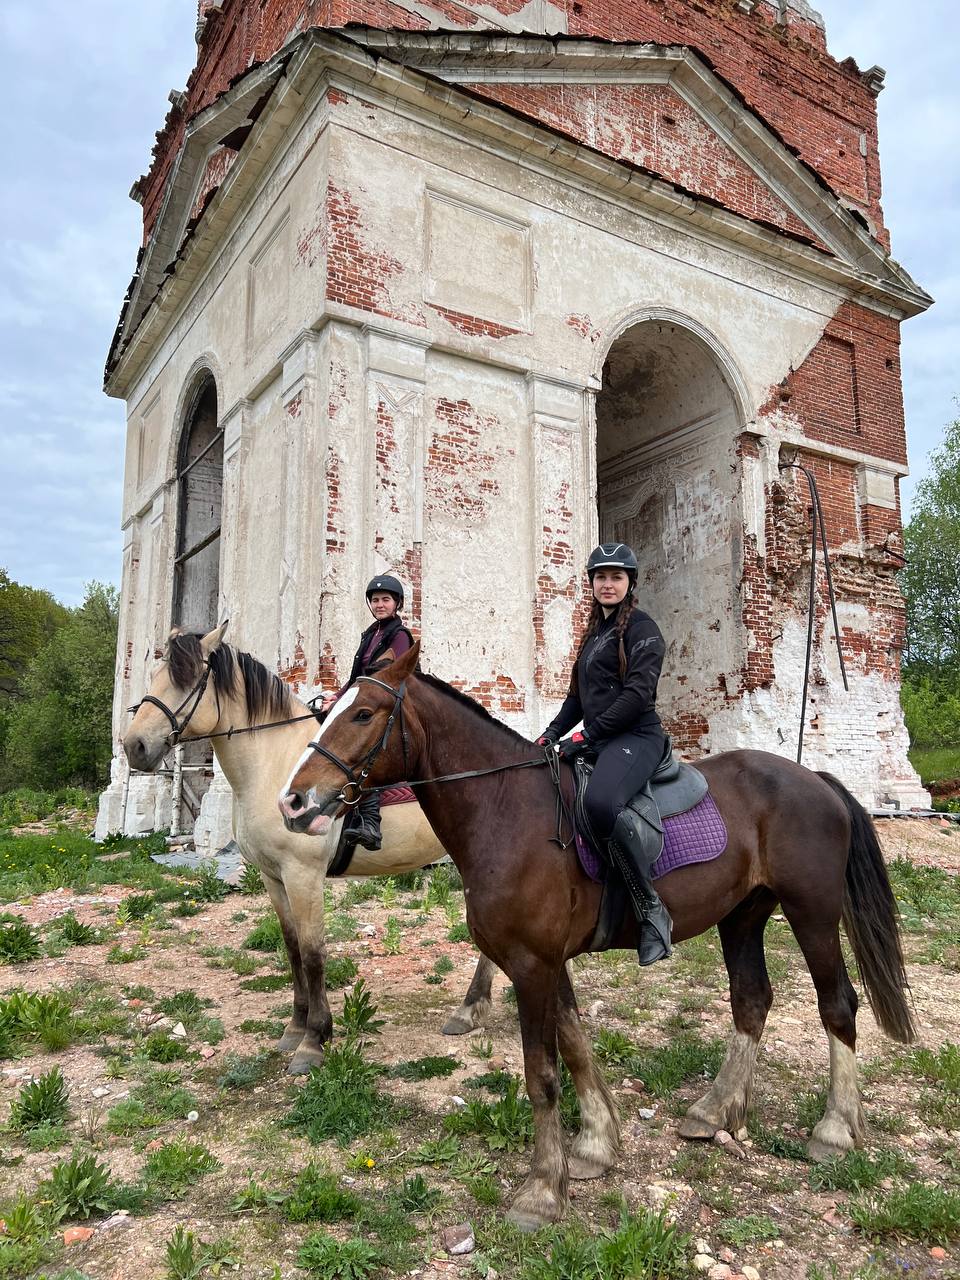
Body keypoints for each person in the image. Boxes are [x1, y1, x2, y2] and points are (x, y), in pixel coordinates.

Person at [536, 543, 672, 965]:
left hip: (638, 736)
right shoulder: (595, 634)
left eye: (615, 577)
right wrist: (552, 733)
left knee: (600, 802)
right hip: (602, 737)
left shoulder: (643, 629)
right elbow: (578, 697)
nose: (607, 584)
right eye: (600, 577)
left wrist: (585, 737)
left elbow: (636, 697)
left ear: (630, 583)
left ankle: (651, 910)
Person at [320, 575, 414, 850]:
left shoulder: (399, 635)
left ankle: (370, 823)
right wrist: (336, 698)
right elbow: (356, 678)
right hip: (367, 701)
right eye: (375, 600)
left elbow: (390, 676)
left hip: (392, 706)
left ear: (397, 603)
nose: (380, 604)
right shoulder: (370, 634)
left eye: (386, 599)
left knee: (366, 752)